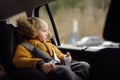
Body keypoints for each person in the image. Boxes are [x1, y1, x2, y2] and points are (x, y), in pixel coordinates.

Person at [12, 17, 90, 80]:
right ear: (33, 32)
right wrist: (40, 64)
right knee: (64, 71)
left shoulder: (49, 44)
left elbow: (58, 54)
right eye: (44, 31)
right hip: (46, 68)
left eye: (47, 30)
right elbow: (19, 60)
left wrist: (65, 57)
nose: (47, 33)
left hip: (58, 64)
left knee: (84, 65)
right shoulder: (25, 46)